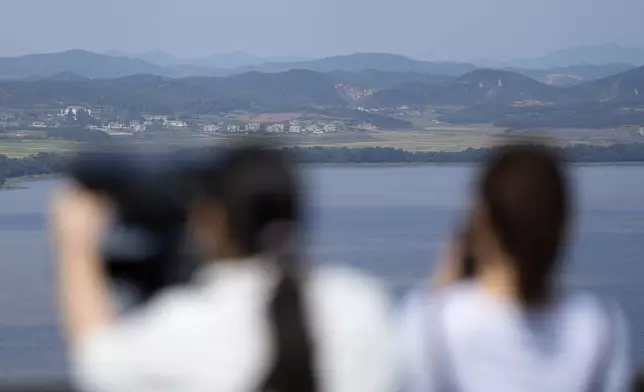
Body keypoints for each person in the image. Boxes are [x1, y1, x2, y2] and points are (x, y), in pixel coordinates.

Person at [51, 145, 397, 392]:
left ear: (211, 220)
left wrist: (76, 248)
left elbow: (96, 363)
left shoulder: (184, 327)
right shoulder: (361, 305)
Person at [398, 143, 631, 392]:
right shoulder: (596, 327)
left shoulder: (431, 323)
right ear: (565, 223)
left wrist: (443, 283)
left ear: (483, 221)